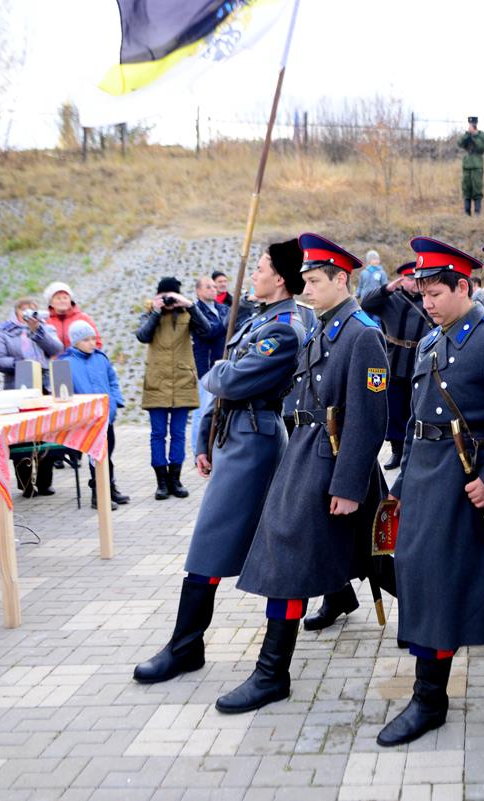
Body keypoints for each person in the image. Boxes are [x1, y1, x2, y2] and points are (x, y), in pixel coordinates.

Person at [220, 234, 388, 714]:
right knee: (297, 556)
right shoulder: (323, 325)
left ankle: (272, 673)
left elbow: (368, 419)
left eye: (315, 281)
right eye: (305, 280)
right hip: (305, 450)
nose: (306, 288)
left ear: (342, 280)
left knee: (290, 564)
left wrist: (350, 485)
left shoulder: (361, 333)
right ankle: (334, 608)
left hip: (328, 461)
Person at [133, 240, 307, 686]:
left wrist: (216, 380)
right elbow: (225, 384)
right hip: (235, 434)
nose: (255, 275)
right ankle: (187, 645)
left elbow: (228, 377)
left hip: (255, 441)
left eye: (262, 268)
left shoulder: (286, 326)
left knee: (214, 541)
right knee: (232, 541)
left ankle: (185, 646)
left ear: (281, 278)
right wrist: (205, 434)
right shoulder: (259, 318)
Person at [377, 236, 484, 747]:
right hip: (425, 480)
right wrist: (401, 485)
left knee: (439, 588)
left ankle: (428, 700)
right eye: (422, 294)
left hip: (464, 487)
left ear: (464, 286)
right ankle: (428, 692)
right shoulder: (429, 340)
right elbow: (419, 421)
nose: (427, 303)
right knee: (419, 579)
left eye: (436, 293)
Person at [135, 276, 209, 501]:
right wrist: (157, 312)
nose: (168, 300)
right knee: (158, 434)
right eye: (164, 295)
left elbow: (207, 330)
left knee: (177, 434)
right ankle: (161, 482)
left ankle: (175, 480)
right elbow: (142, 335)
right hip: (157, 383)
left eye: (171, 296)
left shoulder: (187, 313)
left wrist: (189, 304)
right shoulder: (149, 314)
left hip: (182, 382)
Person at [360, 260, 434, 474]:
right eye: (409, 279)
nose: (414, 283)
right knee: (394, 409)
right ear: (402, 280)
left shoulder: (428, 301)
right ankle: (396, 450)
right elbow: (366, 304)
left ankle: (413, 451)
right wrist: (386, 289)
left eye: (416, 279)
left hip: (419, 362)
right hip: (393, 361)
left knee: (415, 409)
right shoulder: (390, 299)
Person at [0, 297, 66, 498]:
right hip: (17, 389)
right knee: (21, 438)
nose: (29, 316)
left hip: (43, 387)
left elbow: (56, 349)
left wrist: (36, 331)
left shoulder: (44, 329)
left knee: (44, 434)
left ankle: (45, 482)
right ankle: (26, 483)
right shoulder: (4, 332)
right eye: (25, 312)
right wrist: (22, 363)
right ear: (16, 313)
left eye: (32, 311)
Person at [58, 320, 126, 510]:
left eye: (93, 339)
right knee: (95, 455)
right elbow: (62, 392)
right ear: (75, 342)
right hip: (86, 420)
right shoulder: (65, 363)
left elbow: (112, 382)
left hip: (106, 416)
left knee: (108, 453)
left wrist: (114, 403)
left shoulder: (101, 358)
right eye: (86, 340)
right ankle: (98, 494)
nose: (92, 343)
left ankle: (110, 487)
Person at [191, 275, 229, 453]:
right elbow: (210, 331)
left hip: (223, 365)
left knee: (216, 409)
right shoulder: (195, 311)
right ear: (198, 291)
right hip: (206, 366)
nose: (213, 289)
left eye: (214, 286)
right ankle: (198, 450)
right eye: (208, 287)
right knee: (203, 411)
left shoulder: (222, 308)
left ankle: (213, 448)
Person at [44, 281, 102, 350]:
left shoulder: (83, 318)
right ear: (51, 303)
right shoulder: (45, 321)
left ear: (70, 301)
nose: (62, 301)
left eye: (65, 298)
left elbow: (97, 342)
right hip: (57, 360)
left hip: (79, 359)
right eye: (58, 298)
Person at [458, 116, 484, 216]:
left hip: (477, 165)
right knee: (466, 188)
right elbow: (460, 143)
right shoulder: (467, 135)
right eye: (470, 124)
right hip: (467, 165)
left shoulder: (481, 135)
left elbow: (481, 147)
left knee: (477, 188)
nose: (471, 125)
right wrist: (467, 135)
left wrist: (474, 135)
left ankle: (477, 212)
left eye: (473, 124)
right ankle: (467, 212)